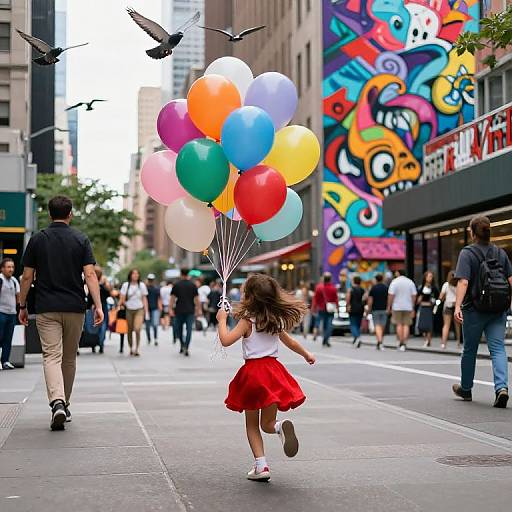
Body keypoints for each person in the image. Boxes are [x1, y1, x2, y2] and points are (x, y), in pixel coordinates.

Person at [216, 274, 315, 481]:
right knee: (267, 423)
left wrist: (222, 321)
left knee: (252, 424)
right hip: (273, 372)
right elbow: (291, 343)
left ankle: (261, 466)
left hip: (252, 373)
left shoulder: (247, 322)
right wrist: (307, 354)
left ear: (250, 297)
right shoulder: (274, 320)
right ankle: (279, 427)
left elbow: (225, 341)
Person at [18, 196, 103, 430]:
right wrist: (98, 305)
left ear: (48, 214)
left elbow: (27, 276)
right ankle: (64, 402)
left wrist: (22, 305)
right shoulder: (80, 239)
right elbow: (90, 274)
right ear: (70, 214)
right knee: (68, 357)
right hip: (75, 307)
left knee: (51, 356)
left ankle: (56, 401)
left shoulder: (37, 240)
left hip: (46, 307)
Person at [453, 216, 512, 408]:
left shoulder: (467, 253)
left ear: (472, 232)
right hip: (498, 309)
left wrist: (457, 306)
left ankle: (466, 388)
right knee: (498, 348)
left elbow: (463, 281)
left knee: (470, 349)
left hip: (474, 310)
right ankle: (501, 388)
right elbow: (510, 280)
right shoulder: (500, 252)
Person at [170, 268, 201, 356]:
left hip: (179, 310)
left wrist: (170, 309)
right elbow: (197, 299)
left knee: (178, 329)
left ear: (181, 274)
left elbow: (172, 298)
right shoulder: (193, 285)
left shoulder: (176, 285)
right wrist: (198, 310)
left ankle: (182, 345)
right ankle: (186, 347)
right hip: (190, 310)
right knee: (189, 330)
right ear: (188, 274)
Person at [119, 269, 149, 357]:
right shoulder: (126, 285)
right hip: (129, 309)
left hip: (139, 309)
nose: (135, 275)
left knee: (137, 328)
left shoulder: (142, 285)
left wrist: (147, 312)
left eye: (137, 274)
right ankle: (131, 347)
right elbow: (122, 298)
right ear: (130, 275)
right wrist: (123, 303)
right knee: (129, 329)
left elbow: (144, 299)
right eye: (133, 274)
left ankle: (137, 348)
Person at [387, 269, 417, 351]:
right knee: (406, 325)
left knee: (399, 324)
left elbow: (391, 295)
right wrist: (413, 306)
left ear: (398, 273)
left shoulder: (394, 282)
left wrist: (389, 306)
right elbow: (414, 295)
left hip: (397, 306)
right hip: (408, 306)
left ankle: (400, 342)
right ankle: (405, 343)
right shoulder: (410, 282)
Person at [0, 258, 20, 370]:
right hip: (1, 312)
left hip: (11, 313)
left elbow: (18, 296)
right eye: (8, 267)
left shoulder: (14, 280)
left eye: (12, 267)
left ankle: (5, 360)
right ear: (2, 269)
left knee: (8, 338)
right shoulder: (0, 279)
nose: (11, 269)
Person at [312, 272, 339, 347]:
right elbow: (336, 299)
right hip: (331, 309)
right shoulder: (333, 288)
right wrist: (337, 307)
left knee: (324, 324)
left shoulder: (319, 287)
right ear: (330, 279)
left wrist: (313, 308)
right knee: (329, 324)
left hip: (321, 308)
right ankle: (326, 339)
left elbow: (315, 299)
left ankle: (325, 338)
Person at [416, 271, 439, 348]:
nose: (430, 278)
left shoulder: (434, 288)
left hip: (430, 308)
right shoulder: (421, 287)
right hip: (422, 308)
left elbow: (438, 299)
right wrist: (421, 298)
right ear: (425, 278)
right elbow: (417, 300)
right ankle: (425, 339)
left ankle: (428, 341)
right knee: (422, 325)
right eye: (428, 276)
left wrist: (435, 303)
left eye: (431, 276)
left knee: (429, 325)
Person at [367, 274, 388, 350]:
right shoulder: (386, 287)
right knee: (382, 325)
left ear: (376, 279)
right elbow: (389, 298)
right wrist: (389, 307)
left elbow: (370, 300)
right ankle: (380, 341)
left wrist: (369, 309)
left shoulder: (373, 288)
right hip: (384, 309)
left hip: (375, 309)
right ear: (382, 279)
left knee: (377, 325)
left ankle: (380, 342)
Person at [440, 270, 460, 349]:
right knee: (457, 326)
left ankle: (443, 343)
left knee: (446, 325)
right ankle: (458, 342)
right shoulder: (459, 284)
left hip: (448, 305)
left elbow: (441, 297)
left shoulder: (446, 285)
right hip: (456, 306)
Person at [94, 266, 111, 354]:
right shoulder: (102, 285)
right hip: (102, 307)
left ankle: (95, 343)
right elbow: (109, 294)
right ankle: (101, 343)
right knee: (103, 326)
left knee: (93, 326)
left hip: (93, 308)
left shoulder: (91, 284)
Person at [346, 275, 365, 348]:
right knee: (358, 324)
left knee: (353, 324)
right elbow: (365, 298)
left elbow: (348, 298)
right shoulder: (362, 289)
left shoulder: (351, 289)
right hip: (360, 308)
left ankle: (357, 337)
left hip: (353, 308)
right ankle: (356, 339)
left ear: (353, 281)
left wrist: (347, 306)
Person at [145, 274, 162, 345]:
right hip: (147, 309)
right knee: (147, 325)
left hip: (155, 308)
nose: (150, 281)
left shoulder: (156, 288)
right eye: (149, 280)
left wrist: (160, 307)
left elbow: (159, 298)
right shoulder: (145, 288)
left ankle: (155, 339)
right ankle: (149, 339)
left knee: (155, 324)